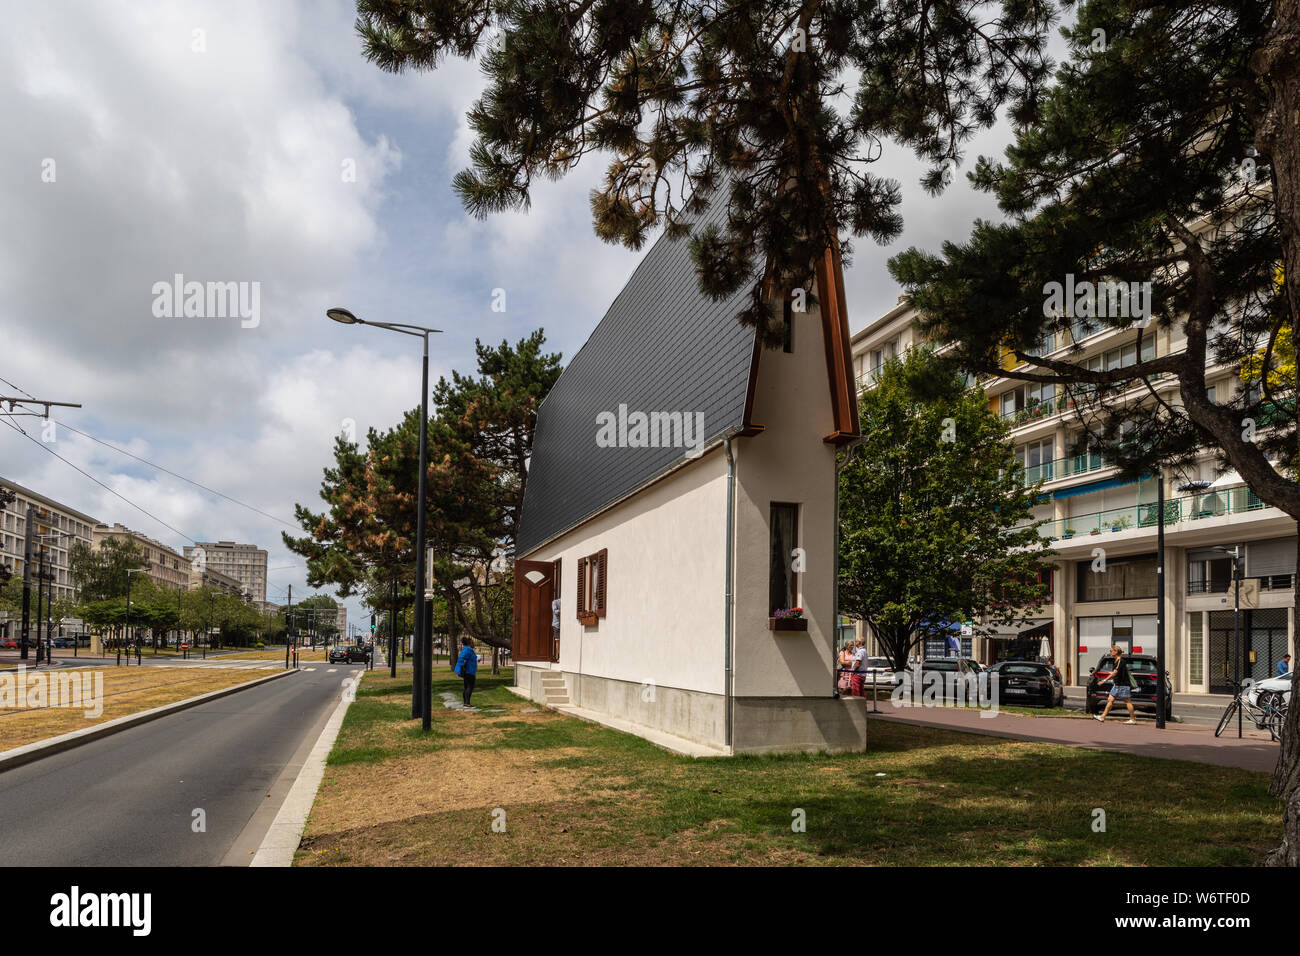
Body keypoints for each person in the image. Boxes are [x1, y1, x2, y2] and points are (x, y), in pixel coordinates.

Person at [1094, 645, 1138, 724]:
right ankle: (1102, 716)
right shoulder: (1116, 660)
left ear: (1116, 652)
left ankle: (1132, 719)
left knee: (1127, 701)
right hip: (1117, 685)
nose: (1110, 652)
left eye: (1111, 651)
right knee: (1110, 700)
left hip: (1122, 685)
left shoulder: (1120, 661)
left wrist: (1104, 680)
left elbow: (1115, 672)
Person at [454, 636, 478, 707]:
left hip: (469, 671)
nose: (474, 644)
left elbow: (468, 658)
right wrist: (462, 667)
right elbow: (462, 658)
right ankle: (467, 702)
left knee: (467, 687)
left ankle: (466, 702)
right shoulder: (468, 649)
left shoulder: (467, 649)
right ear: (470, 643)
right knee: (469, 687)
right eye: (473, 643)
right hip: (468, 671)